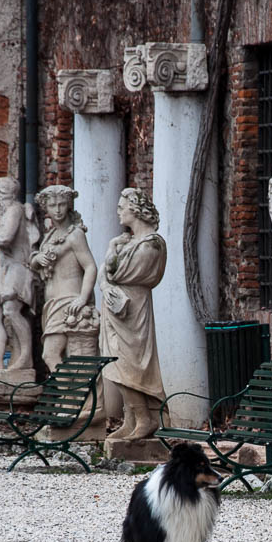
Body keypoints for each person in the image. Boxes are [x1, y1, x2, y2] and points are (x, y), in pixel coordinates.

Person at [99, 188, 168, 442]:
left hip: (134, 309)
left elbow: (117, 274)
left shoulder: (151, 244)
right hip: (117, 309)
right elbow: (105, 276)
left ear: (136, 210)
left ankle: (146, 419)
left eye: (122, 207)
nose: (118, 211)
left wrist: (109, 268)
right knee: (118, 365)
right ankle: (131, 419)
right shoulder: (125, 243)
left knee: (133, 365)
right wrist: (111, 252)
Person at [30, 185, 99, 371]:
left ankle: (68, 396)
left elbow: (91, 266)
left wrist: (83, 298)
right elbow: (35, 264)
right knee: (65, 356)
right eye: (53, 206)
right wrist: (37, 259)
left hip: (69, 302)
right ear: (46, 208)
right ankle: (68, 396)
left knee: (51, 354)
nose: (58, 209)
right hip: (52, 302)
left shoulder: (75, 235)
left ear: (68, 205)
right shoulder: (51, 235)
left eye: (62, 204)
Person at [0, 177, 37, 371]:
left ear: (9, 194)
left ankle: (25, 358)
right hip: (6, 269)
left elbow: (5, 238)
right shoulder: (7, 211)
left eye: (1, 194)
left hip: (18, 267)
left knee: (11, 310)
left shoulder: (15, 210)